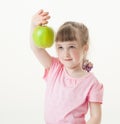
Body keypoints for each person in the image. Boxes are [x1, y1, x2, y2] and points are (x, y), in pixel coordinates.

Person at [30, 9, 103, 124]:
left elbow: (95, 117)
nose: (65, 53)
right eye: (60, 47)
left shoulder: (92, 83)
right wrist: (34, 25)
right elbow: (37, 48)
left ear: (85, 48)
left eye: (72, 46)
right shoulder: (54, 68)